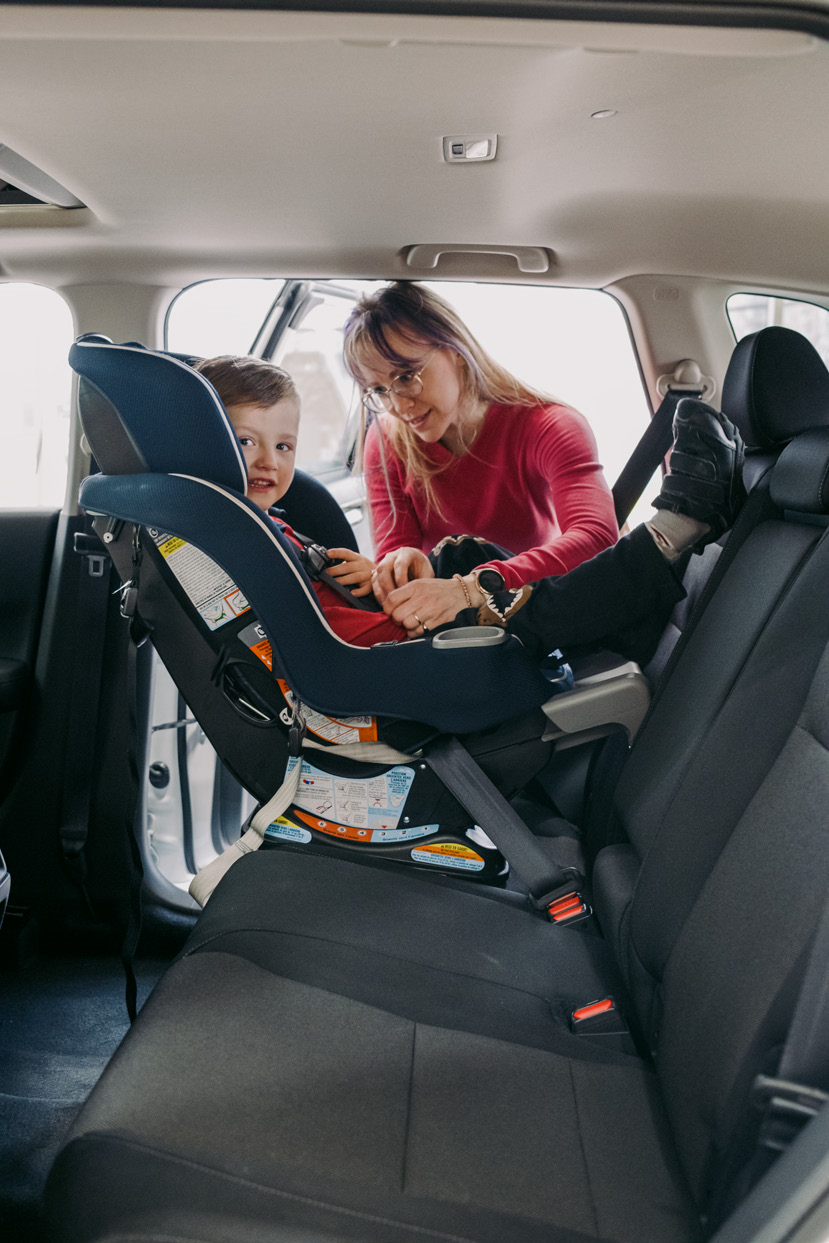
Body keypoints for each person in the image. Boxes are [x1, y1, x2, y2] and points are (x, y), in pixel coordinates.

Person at [195, 354, 744, 670]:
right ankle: (676, 530)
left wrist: (380, 584)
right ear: (202, 439)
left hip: (389, 636)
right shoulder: (229, 541)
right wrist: (420, 612)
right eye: (245, 442)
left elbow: (324, 606)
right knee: (507, 600)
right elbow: (331, 641)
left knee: (463, 554)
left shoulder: (254, 523)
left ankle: (640, 599)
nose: (268, 461)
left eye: (284, 447)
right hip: (400, 666)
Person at [342, 281, 620, 618]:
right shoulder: (387, 440)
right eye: (380, 390)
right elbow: (398, 556)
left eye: (406, 376)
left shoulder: (550, 426)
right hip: (447, 622)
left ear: (456, 351)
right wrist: (394, 570)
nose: (398, 405)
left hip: (532, 611)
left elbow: (596, 537)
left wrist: (473, 588)